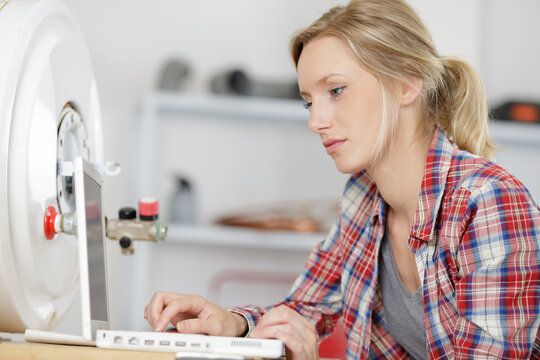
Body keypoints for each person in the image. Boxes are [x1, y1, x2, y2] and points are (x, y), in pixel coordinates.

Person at [144, 0, 540, 358]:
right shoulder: (364, 197)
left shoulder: (487, 202)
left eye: (336, 90)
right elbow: (303, 309)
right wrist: (234, 325)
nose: (316, 121)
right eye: (309, 101)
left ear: (406, 82)